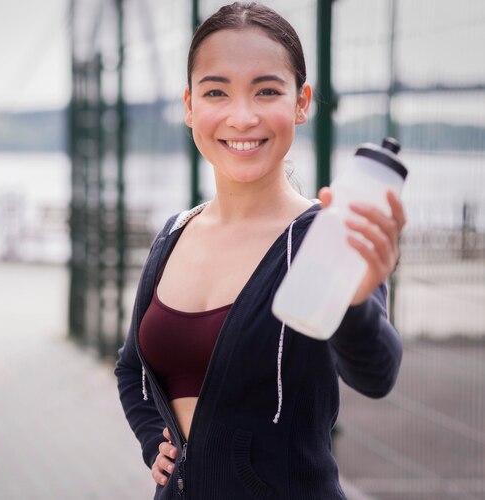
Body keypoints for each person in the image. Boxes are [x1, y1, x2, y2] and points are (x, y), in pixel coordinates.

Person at [114, 3, 405, 499]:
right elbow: (131, 368)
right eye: (216, 92)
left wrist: (354, 303)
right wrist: (153, 442)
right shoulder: (174, 234)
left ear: (301, 102)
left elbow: (376, 372)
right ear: (189, 106)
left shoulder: (321, 236)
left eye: (267, 91)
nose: (242, 116)